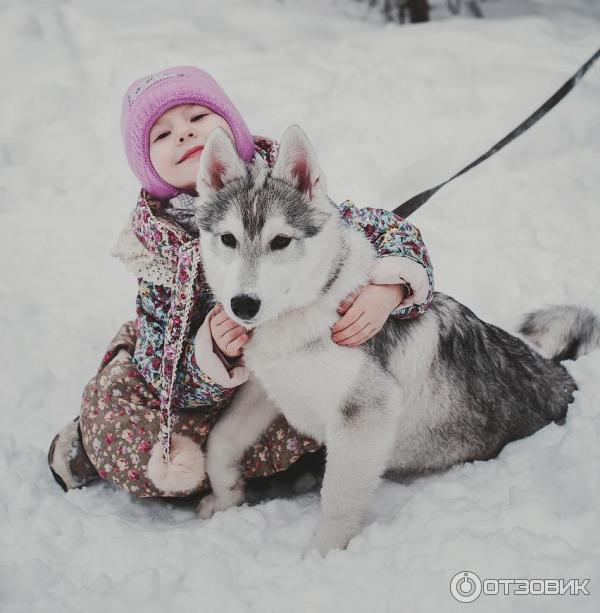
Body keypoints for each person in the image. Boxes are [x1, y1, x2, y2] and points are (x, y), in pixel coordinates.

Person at [48, 66, 434, 500]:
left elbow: (387, 229)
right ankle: (89, 442)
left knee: (321, 402)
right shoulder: (154, 250)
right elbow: (160, 369)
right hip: (198, 382)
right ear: (145, 165)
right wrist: (210, 350)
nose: (183, 135)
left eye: (197, 117)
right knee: (133, 427)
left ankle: (278, 467)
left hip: (278, 371)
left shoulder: (285, 189)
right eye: (161, 134)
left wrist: (390, 287)